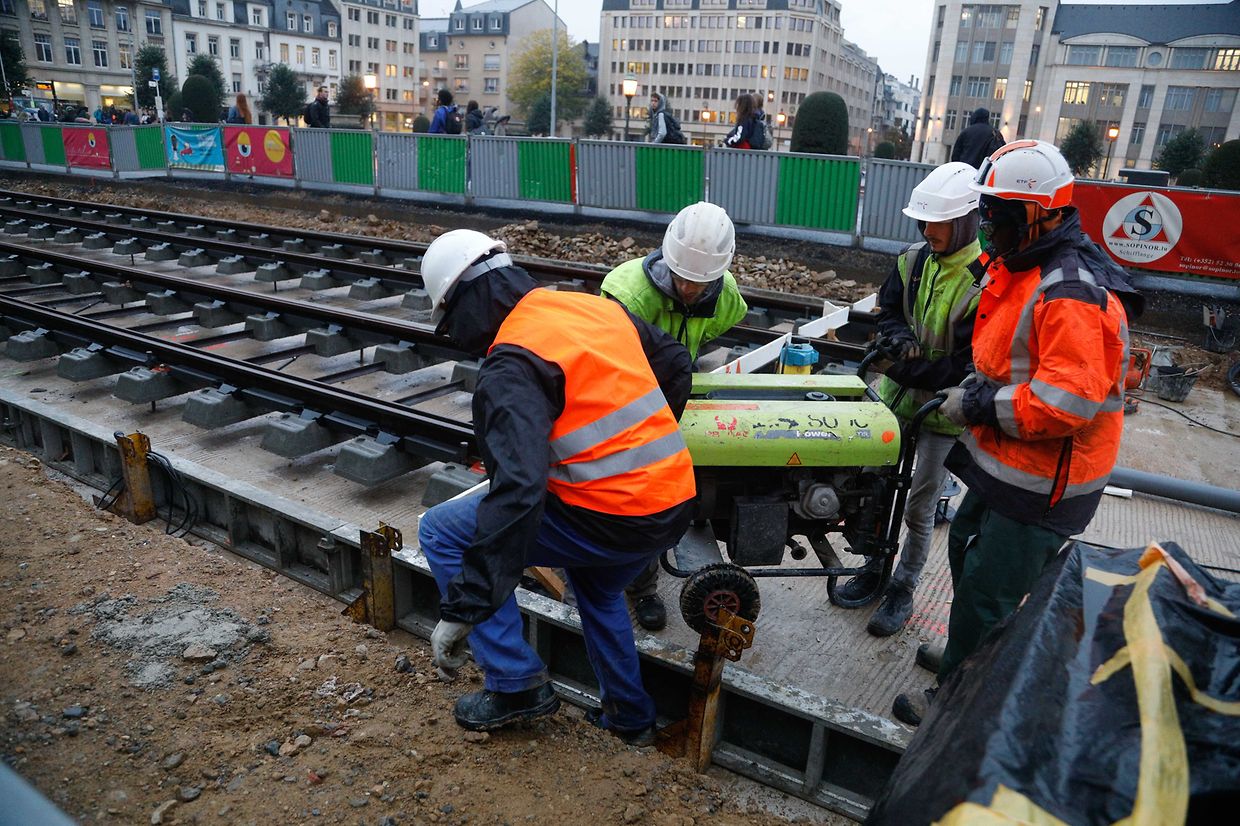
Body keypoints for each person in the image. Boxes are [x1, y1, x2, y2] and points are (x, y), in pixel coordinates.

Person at [893, 140, 1142, 726]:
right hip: (1007, 464)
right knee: (966, 550)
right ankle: (969, 651)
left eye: (998, 213)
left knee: (991, 588)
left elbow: (1064, 403)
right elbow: (1002, 354)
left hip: (1045, 482)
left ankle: (959, 701)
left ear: (1039, 213)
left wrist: (978, 404)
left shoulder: (1070, 293)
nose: (987, 224)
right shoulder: (1022, 263)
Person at [420, 230, 696, 742]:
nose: (456, 336)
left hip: (612, 518)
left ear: (467, 300)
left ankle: (514, 683)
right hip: (673, 502)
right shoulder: (588, 307)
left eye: (451, 321)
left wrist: (465, 608)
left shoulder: (511, 362)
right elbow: (677, 362)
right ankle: (631, 719)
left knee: (441, 530)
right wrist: (637, 453)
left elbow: (518, 494)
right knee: (597, 587)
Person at [836, 162, 985, 636]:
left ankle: (903, 586)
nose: (927, 231)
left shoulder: (984, 280)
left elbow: (965, 365)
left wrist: (898, 367)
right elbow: (889, 311)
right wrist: (898, 337)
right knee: (877, 491)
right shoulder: (913, 260)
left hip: (942, 413)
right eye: (923, 222)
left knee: (920, 508)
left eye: (938, 223)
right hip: (896, 403)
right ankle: (874, 567)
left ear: (966, 219)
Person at [599, 201, 747, 631]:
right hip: (624, 397)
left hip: (674, 390)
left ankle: (646, 567)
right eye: (682, 278)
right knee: (632, 493)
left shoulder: (725, 295)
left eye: (699, 283)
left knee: (664, 489)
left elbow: (712, 327)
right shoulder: (627, 294)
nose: (687, 289)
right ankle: (640, 586)